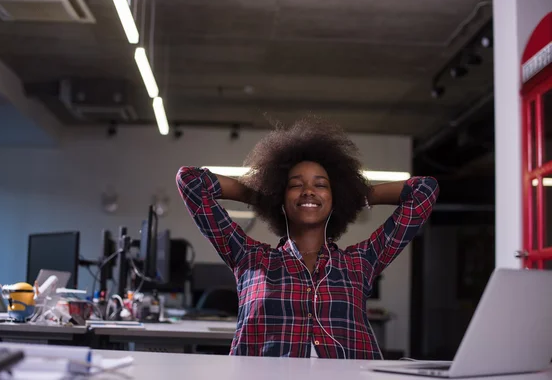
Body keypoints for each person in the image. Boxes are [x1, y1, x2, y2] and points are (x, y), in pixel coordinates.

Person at [176, 117, 439, 359]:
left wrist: (354, 195)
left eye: (321, 185)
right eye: (295, 185)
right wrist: (261, 197)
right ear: (281, 195)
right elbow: (190, 181)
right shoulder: (249, 258)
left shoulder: (360, 263)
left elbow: (424, 191)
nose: (309, 191)